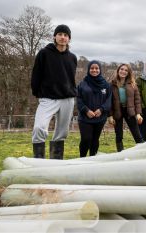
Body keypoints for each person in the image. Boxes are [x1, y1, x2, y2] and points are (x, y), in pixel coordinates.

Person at [31, 24, 77, 159]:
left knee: (62, 132)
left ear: (69, 39)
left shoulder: (72, 57)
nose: (63, 37)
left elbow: (70, 78)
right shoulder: (44, 53)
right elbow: (36, 75)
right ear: (55, 37)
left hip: (67, 99)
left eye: (66, 35)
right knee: (39, 128)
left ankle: (55, 163)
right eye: (60, 34)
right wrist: (37, 92)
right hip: (48, 98)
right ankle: (38, 161)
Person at [77, 60, 112, 157]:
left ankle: (92, 159)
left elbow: (109, 100)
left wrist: (101, 109)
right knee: (86, 139)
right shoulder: (82, 84)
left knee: (95, 139)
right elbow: (78, 99)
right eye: (92, 68)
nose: (94, 70)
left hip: (100, 118)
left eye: (96, 68)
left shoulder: (106, 85)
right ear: (88, 70)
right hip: (85, 118)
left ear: (100, 70)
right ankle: (82, 158)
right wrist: (86, 110)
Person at [108, 64, 143, 151]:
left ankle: (142, 152)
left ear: (128, 73)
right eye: (121, 69)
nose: (123, 71)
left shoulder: (132, 84)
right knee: (119, 135)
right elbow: (109, 101)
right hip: (117, 111)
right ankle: (120, 153)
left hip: (129, 111)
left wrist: (138, 114)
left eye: (126, 70)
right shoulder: (112, 84)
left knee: (137, 134)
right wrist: (110, 116)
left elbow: (137, 100)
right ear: (118, 70)